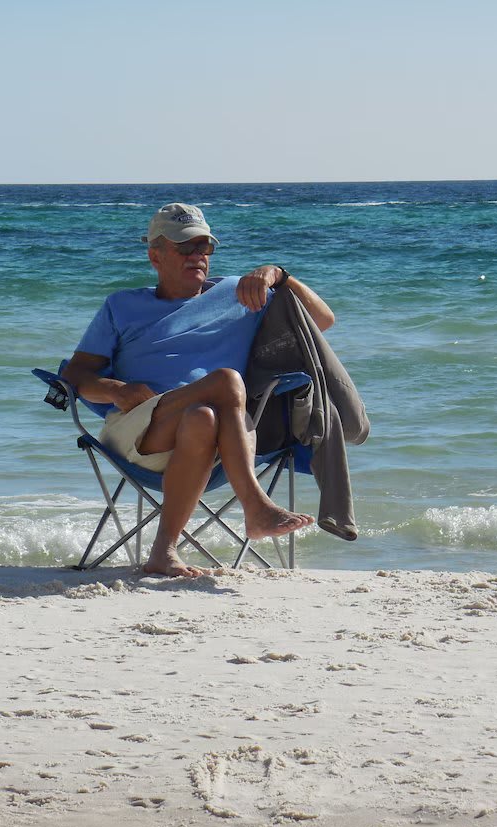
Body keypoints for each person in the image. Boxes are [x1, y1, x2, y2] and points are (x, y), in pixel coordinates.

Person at [61, 203, 336, 578]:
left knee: (203, 416)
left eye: (204, 247)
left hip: (220, 440)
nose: (197, 256)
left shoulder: (239, 294)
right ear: (155, 256)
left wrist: (279, 275)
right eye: (184, 247)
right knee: (226, 381)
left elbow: (322, 320)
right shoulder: (123, 305)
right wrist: (114, 389)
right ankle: (255, 506)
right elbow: (77, 374)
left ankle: (163, 552)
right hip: (140, 431)